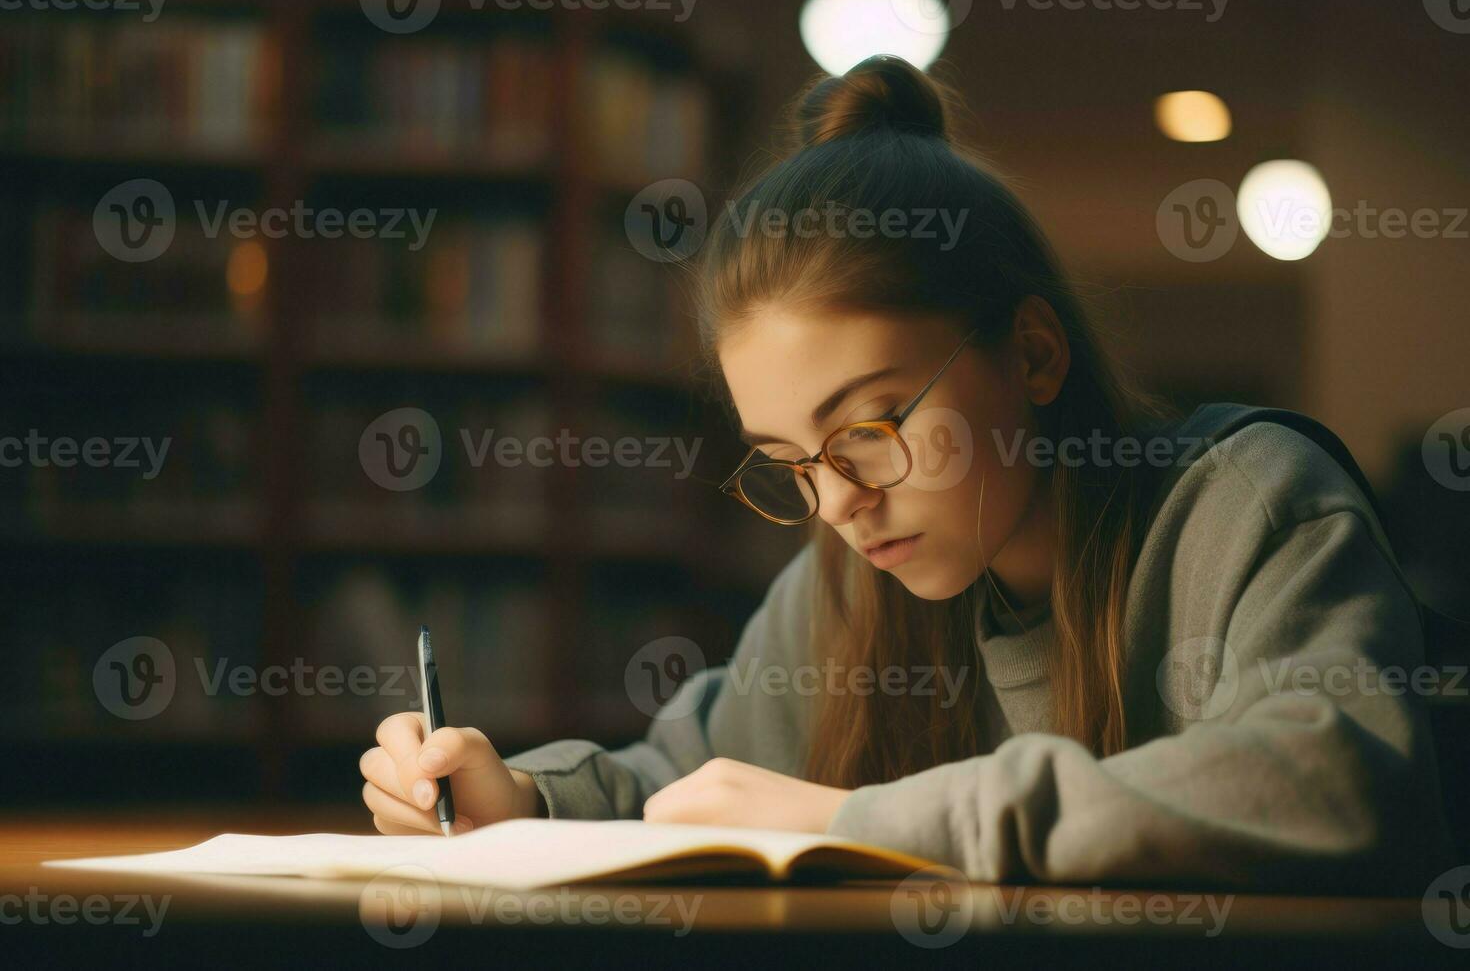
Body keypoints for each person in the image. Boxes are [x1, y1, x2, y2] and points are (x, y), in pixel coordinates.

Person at [358, 55, 1452, 892]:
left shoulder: (1250, 501)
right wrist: (523, 797)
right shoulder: (855, 581)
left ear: (1031, 351)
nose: (837, 503)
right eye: (790, 462)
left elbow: (1340, 775)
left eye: (869, 428)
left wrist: (854, 823)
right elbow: (685, 777)